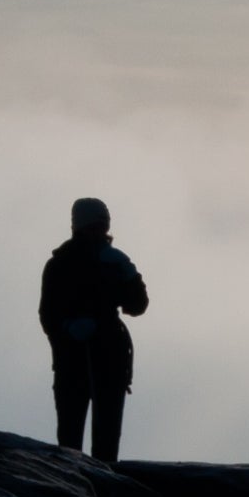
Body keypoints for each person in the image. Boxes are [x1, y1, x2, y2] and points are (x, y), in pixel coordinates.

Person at [38, 195, 149, 461]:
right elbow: (48, 314)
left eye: (103, 228)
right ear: (80, 227)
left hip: (109, 358)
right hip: (73, 360)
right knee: (70, 436)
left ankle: (105, 482)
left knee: (107, 437)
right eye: (94, 228)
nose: (100, 234)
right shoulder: (60, 265)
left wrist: (129, 273)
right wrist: (68, 327)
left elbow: (137, 305)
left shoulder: (111, 262)